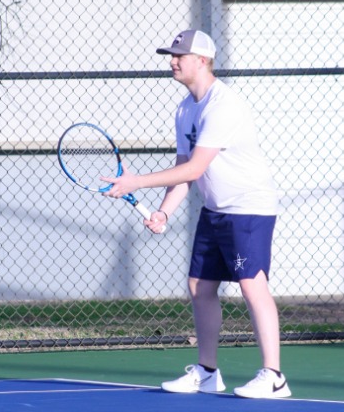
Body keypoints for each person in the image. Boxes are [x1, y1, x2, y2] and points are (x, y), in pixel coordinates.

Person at [102, 30, 290, 399]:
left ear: (201, 61)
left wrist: (136, 182)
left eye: (179, 56)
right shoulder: (184, 109)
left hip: (248, 207)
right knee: (199, 286)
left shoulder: (223, 106)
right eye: (171, 55)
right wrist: (164, 212)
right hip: (215, 208)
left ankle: (274, 376)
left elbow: (195, 168)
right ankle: (207, 372)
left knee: (252, 284)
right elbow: (183, 169)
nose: (172, 62)